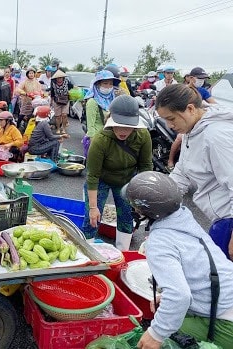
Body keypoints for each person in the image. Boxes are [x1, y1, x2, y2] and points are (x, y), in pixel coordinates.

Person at [123, 171, 233, 349]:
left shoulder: (159, 241)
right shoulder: (184, 220)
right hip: (226, 297)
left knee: (146, 338)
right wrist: (168, 297)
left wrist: (155, 334)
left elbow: (179, 296)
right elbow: (197, 268)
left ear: (142, 211)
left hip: (226, 322)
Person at [156, 84, 233, 260]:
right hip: (220, 219)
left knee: (223, 279)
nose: (169, 125)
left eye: (171, 119)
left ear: (190, 109)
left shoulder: (216, 136)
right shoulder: (192, 131)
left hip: (229, 220)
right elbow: (182, 172)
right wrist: (158, 201)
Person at [83, 95, 152, 250]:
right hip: (101, 179)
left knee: (127, 217)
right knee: (92, 219)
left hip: (127, 180)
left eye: (128, 127)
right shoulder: (101, 139)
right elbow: (92, 175)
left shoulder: (143, 136)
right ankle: (88, 252)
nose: (123, 131)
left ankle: (123, 253)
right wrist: (93, 208)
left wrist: (142, 199)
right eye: (119, 126)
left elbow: (145, 167)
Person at [82, 70, 120, 157]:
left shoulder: (112, 100)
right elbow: (90, 126)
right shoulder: (92, 102)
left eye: (111, 84)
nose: (108, 86)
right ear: (98, 84)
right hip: (97, 139)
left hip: (110, 139)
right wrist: (93, 143)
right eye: (105, 83)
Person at [16, 67, 44, 132]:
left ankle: (30, 129)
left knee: (33, 115)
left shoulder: (36, 82)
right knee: (22, 114)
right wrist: (25, 93)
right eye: (30, 73)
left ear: (34, 74)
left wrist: (41, 94)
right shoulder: (25, 82)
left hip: (34, 101)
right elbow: (18, 89)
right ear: (27, 74)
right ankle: (17, 126)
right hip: (26, 101)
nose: (31, 74)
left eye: (32, 73)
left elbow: (40, 90)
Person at [50, 70, 73, 135]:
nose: (59, 79)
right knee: (58, 116)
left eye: (61, 77)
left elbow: (72, 87)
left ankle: (64, 128)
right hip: (56, 100)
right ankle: (58, 128)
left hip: (65, 100)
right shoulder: (53, 83)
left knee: (64, 115)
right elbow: (52, 93)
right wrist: (51, 101)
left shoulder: (66, 82)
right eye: (58, 78)